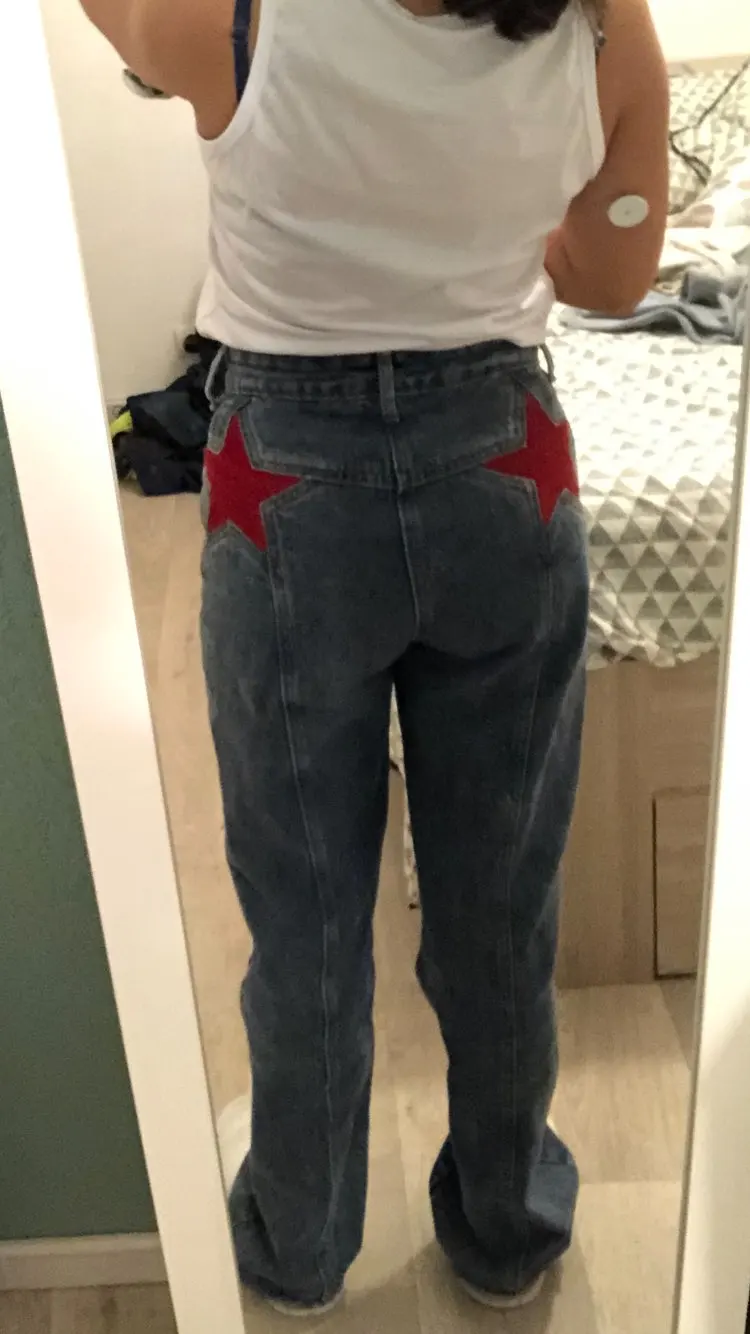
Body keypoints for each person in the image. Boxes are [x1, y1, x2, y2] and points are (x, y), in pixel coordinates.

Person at [80, 0, 669, 1316]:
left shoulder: (230, 19)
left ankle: (298, 1242)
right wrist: (479, 218)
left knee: (302, 906)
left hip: (287, 485)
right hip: (502, 466)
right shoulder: (602, 24)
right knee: (498, 895)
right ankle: (507, 1228)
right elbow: (613, 276)